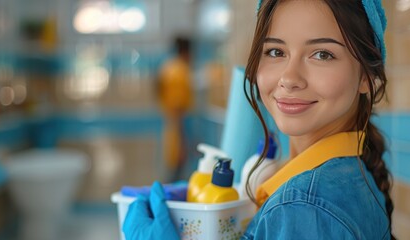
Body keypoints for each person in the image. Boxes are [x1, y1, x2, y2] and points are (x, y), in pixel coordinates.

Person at [123, 0, 395, 239]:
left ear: (366, 77)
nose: (289, 78)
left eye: (322, 54)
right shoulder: (345, 175)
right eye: (276, 52)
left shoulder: (304, 207)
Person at [157, 36, 194, 182]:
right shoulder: (180, 71)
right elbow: (178, 107)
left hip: (170, 125)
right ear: (187, 51)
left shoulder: (168, 67)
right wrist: (183, 142)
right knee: (175, 174)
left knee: (172, 171)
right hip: (177, 128)